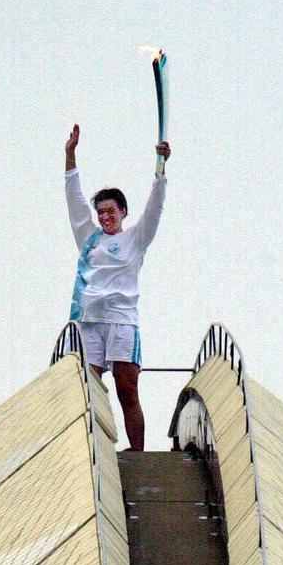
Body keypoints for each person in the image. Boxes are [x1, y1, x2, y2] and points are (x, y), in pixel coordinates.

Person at [64, 123, 170, 450]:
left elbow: (155, 209)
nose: (105, 216)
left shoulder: (135, 240)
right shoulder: (89, 239)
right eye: (101, 212)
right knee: (86, 389)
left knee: (127, 388)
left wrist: (161, 169)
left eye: (111, 210)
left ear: (123, 211)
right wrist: (70, 155)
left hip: (122, 323)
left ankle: (137, 452)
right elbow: (73, 197)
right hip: (90, 323)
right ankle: (92, 449)